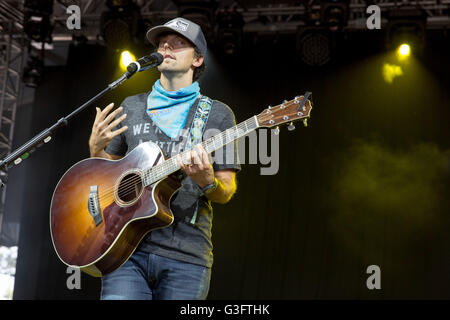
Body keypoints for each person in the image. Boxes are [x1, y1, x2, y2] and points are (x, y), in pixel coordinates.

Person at [88, 17, 241, 300]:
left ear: (197, 59)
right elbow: (105, 176)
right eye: (162, 42)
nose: (166, 46)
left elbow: (226, 190)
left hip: (186, 256)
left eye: (178, 43)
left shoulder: (218, 114)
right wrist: (95, 150)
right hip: (125, 251)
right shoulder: (131, 105)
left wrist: (207, 182)